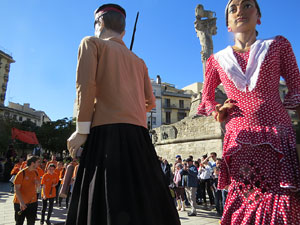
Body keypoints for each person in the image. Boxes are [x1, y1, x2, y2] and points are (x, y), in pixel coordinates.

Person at [66, 4, 180, 225]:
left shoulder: (91, 43)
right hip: (139, 137)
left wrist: (81, 130)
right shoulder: (139, 62)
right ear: (124, 32)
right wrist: (130, 108)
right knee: (144, 202)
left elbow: (85, 87)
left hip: (105, 134)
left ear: (98, 24)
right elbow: (150, 102)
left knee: (104, 202)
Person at [197, 0, 300, 224]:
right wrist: (218, 110)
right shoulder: (216, 60)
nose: (239, 11)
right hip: (239, 140)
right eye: (233, 8)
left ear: (258, 17)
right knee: (244, 200)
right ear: (228, 25)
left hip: (277, 135)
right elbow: (206, 96)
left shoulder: (278, 45)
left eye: (247, 5)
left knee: (280, 199)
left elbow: (296, 87)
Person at [13, 156, 40, 225]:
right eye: (38, 162)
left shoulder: (36, 172)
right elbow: (16, 190)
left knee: (31, 222)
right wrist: (22, 203)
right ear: (32, 163)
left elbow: (38, 189)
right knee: (19, 222)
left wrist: (38, 185)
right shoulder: (21, 173)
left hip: (33, 202)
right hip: (20, 203)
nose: (39, 164)